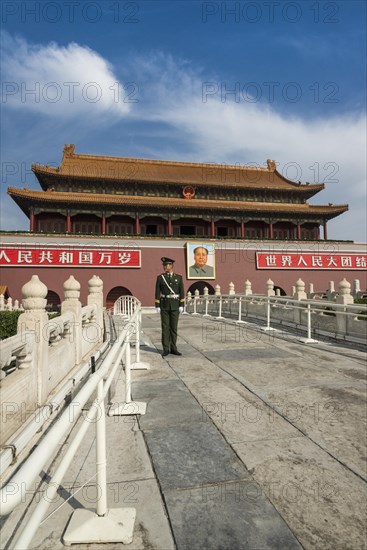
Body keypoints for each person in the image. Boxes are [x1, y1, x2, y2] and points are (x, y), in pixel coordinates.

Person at [155, 257, 185, 357]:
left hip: (175, 305)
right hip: (164, 305)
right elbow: (157, 292)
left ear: (171, 265)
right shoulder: (160, 278)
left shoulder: (179, 278)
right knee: (165, 327)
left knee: (174, 328)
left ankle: (174, 348)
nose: (164, 267)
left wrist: (181, 305)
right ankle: (166, 349)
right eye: (163, 265)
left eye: (166, 265)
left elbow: (182, 292)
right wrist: (157, 305)